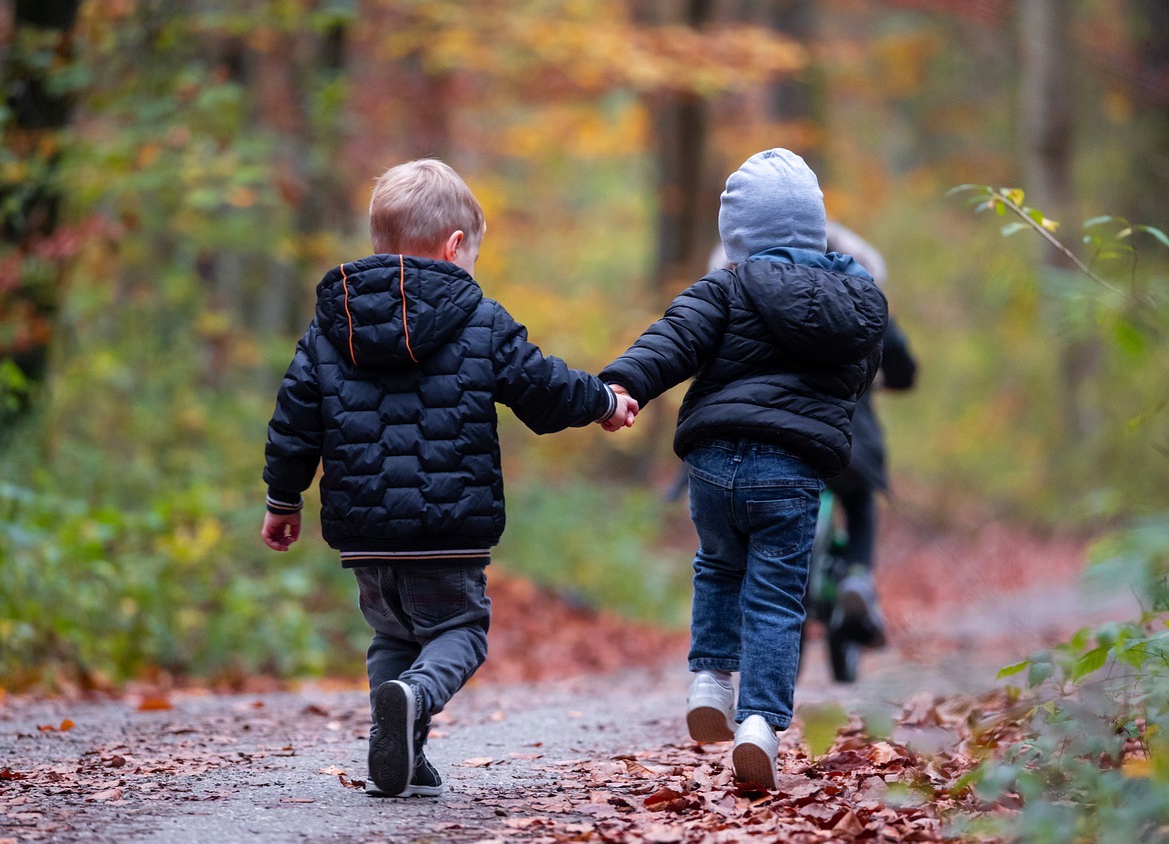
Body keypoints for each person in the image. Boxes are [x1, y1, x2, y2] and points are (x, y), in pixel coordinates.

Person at [260, 158, 637, 799]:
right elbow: (542, 388)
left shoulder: (331, 323)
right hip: (448, 525)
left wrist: (282, 499)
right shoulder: (477, 317)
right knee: (460, 631)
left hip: (365, 532)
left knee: (392, 633)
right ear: (453, 246)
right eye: (473, 257)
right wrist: (603, 401)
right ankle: (415, 697)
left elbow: (295, 418)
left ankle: (401, 750)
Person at [600, 149, 887, 789]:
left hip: (713, 463)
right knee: (778, 596)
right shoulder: (859, 301)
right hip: (791, 471)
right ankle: (759, 724)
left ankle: (710, 679)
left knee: (718, 566)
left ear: (736, 233)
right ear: (815, 226)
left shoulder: (724, 287)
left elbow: (672, 341)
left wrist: (622, 386)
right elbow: (859, 379)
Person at [821, 222, 918, 652]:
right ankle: (858, 574)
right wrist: (884, 380)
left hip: (783, 437)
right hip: (849, 438)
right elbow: (904, 368)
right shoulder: (864, 301)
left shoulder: (762, 291)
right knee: (859, 500)